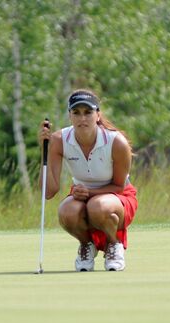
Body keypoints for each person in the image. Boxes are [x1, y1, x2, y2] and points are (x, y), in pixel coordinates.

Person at [38, 89, 138, 271]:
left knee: (98, 206)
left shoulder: (116, 142)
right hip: (82, 195)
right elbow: (48, 192)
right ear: (70, 116)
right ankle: (86, 245)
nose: (82, 118)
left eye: (88, 112)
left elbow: (118, 186)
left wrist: (90, 193)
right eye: (76, 113)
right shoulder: (59, 140)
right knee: (66, 211)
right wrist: (44, 150)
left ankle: (113, 245)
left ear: (97, 115)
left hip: (118, 196)